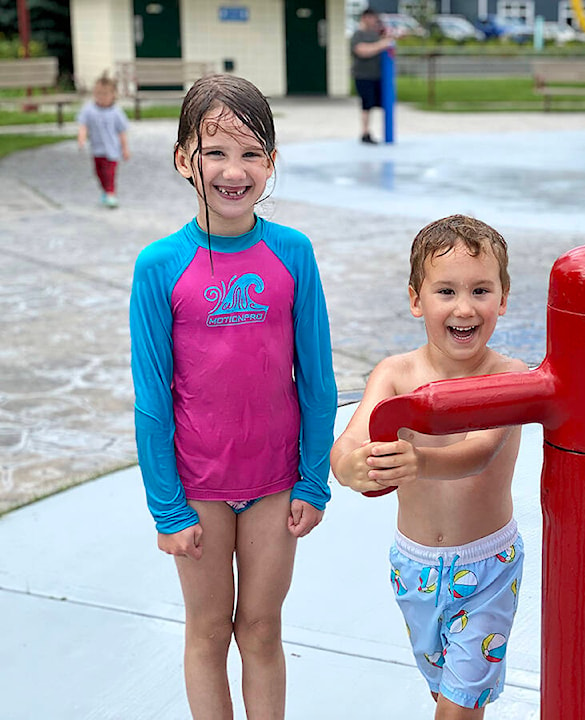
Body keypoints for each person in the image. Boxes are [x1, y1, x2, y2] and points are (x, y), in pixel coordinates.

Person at [129, 74, 337, 719]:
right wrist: (167, 509)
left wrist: (313, 481)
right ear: (183, 159)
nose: (233, 170)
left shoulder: (292, 253)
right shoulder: (159, 264)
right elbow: (151, 399)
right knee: (209, 631)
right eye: (215, 152)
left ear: (271, 163)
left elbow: (319, 380)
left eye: (251, 153)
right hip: (199, 485)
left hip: (275, 482)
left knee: (262, 630)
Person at [331, 214, 528, 717]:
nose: (465, 307)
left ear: (503, 298)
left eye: (481, 290)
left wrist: (418, 460)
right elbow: (350, 442)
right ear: (417, 299)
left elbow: (479, 451)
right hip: (412, 567)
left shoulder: (509, 376)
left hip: (486, 568)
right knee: (445, 692)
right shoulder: (396, 374)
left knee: (458, 706)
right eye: (446, 291)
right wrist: (349, 467)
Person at [77, 73, 130, 208]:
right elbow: (83, 124)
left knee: (109, 172)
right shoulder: (89, 110)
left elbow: (122, 132)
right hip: (97, 149)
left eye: (105, 94)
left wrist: (125, 149)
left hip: (112, 150)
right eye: (99, 94)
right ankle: (106, 191)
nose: (102, 97)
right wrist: (81, 138)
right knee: (99, 172)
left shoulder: (116, 112)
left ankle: (111, 193)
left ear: (113, 95)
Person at [351, 8, 394, 145]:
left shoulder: (376, 35)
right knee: (367, 105)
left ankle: (386, 132)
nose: (373, 21)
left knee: (383, 103)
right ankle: (365, 132)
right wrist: (381, 45)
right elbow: (362, 50)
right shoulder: (358, 35)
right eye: (371, 18)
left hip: (378, 76)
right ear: (364, 18)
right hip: (363, 75)